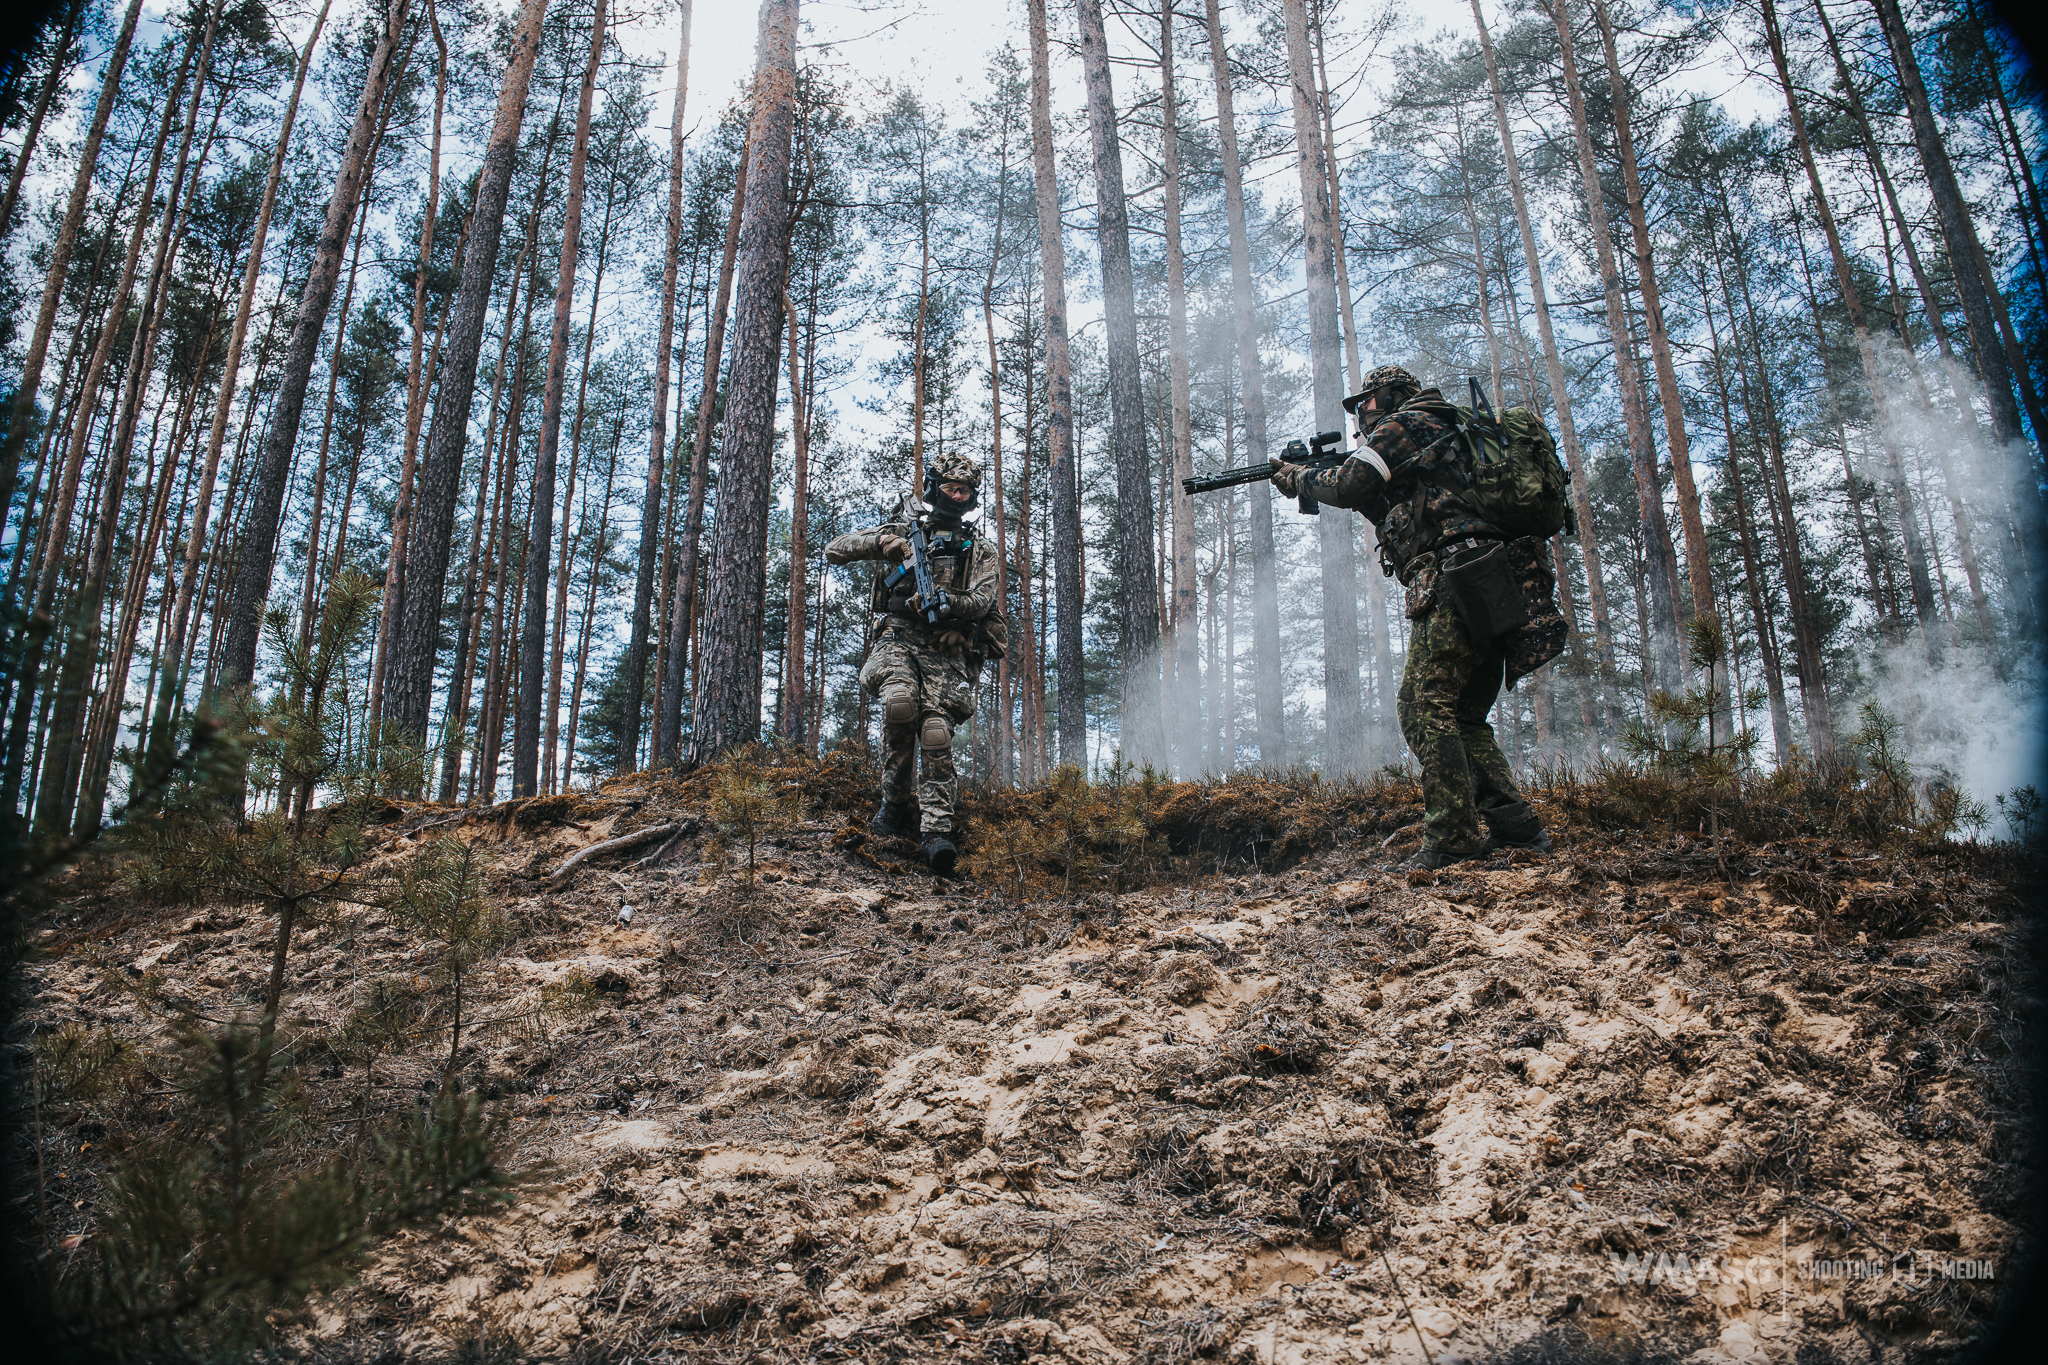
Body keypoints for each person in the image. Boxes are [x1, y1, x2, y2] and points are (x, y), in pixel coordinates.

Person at [1269, 365, 1552, 870]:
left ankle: (1452, 839)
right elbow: (1388, 505)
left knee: (1423, 706)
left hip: (1457, 576)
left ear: (1393, 395)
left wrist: (1300, 477)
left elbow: (1351, 483)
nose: (1361, 414)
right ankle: (1518, 828)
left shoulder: (1410, 421)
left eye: (1366, 402)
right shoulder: (1443, 434)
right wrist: (1319, 480)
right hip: (1491, 576)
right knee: (1462, 713)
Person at [824, 453, 999, 873]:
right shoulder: (904, 530)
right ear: (935, 488)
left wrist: (955, 614)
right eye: (951, 488)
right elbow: (834, 549)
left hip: (944, 648)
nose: (957, 496)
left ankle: (936, 830)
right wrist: (883, 543)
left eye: (965, 491)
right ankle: (894, 804)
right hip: (897, 637)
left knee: (935, 731)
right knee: (899, 704)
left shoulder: (980, 549)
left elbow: (983, 600)